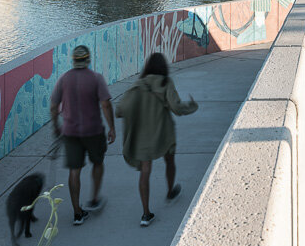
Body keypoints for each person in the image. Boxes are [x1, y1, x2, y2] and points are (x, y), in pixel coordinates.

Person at [116, 52, 198, 227]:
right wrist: (192, 106)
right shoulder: (166, 83)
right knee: (170, 161)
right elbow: (176, 108)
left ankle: (146, 214)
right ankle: (170, 191)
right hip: (164, 133)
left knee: (145, 171)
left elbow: (120, 110)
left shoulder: (138, 85)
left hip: (143, 137)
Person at [49, 44, 115, 225]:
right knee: (98, 163)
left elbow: (54, 106)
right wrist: (112, 127)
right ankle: (94, 199)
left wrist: (56, 126)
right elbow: (105, 104)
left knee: (74, 170)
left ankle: (77, 212)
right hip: (93, 131)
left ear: (73, 60)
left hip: (70, 132)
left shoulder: (63, 79)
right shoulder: (96, 78)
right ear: (88, 60)